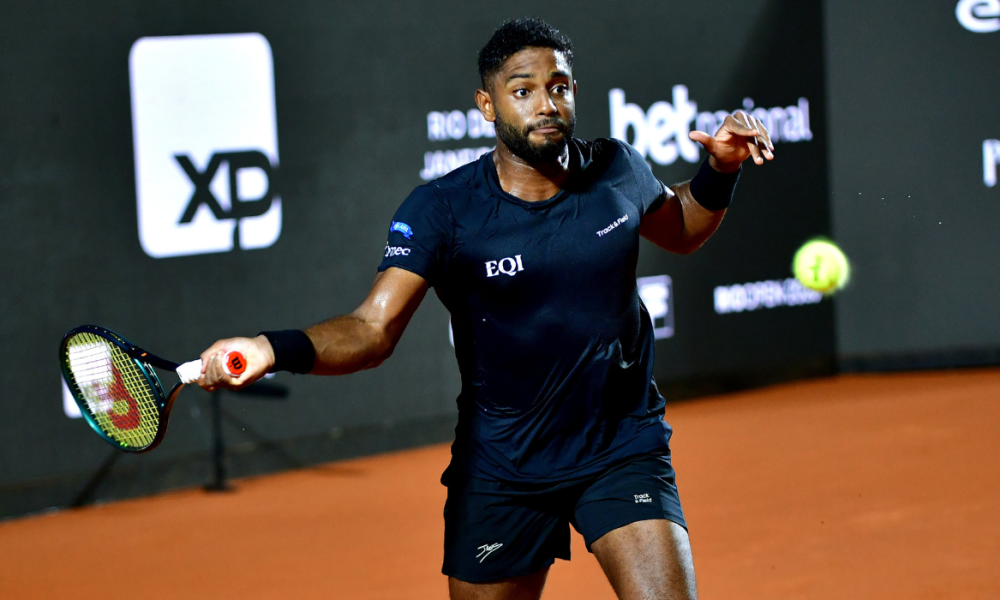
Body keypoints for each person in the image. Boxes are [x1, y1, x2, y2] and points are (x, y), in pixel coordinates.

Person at [196, 17, 773, 600]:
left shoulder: (617, 168)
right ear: (487, 105)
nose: (546, 104)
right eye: (523, 91)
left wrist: (720, 169)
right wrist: (270, 348)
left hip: (620, 445)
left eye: (560, 87)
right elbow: (372, 329)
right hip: (503, 465)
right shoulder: (443, 210)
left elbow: (681, 228)